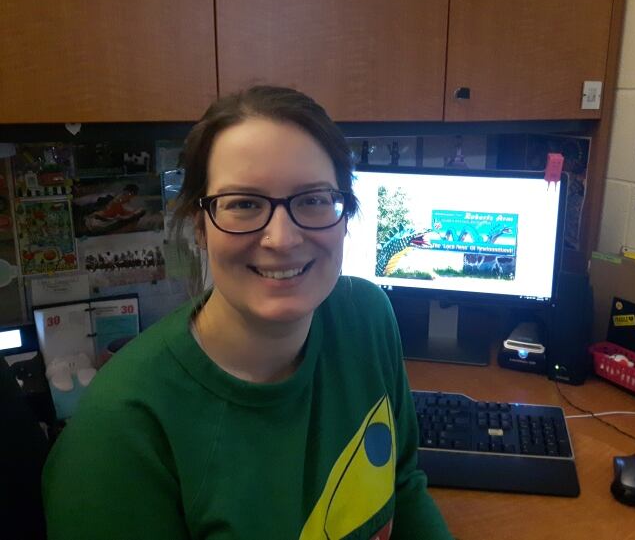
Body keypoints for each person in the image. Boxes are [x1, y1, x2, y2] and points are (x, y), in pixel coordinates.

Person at [42, 86, 453, 540]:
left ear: (344, 213)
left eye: (313, 199)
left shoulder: (367, 318)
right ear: (200, 227)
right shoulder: (118, 436)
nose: (282, 238)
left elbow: (404, 486)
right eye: (243, 204)